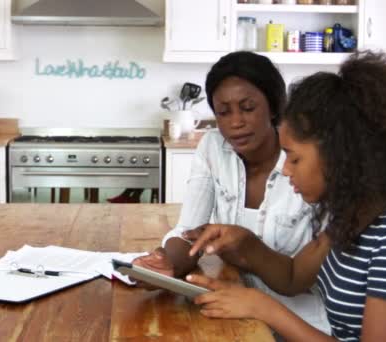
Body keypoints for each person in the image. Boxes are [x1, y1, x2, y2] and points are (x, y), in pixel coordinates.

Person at [185, 51, 386, 341]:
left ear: (339, 156)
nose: (285, 171)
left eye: (294, 159)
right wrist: (244, 242)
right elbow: (293, 276)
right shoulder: (351, 218)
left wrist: (264, 307)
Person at [133, 50, 330, 332]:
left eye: (248, 108)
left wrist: (247, 247)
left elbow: (302, 275)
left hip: (298, 323)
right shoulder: (213, 147)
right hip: (234, 309)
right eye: (223, 112)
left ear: (273, 107)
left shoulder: (308, 167)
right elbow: (189, 232)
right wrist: (167, 264)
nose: (235, 122)